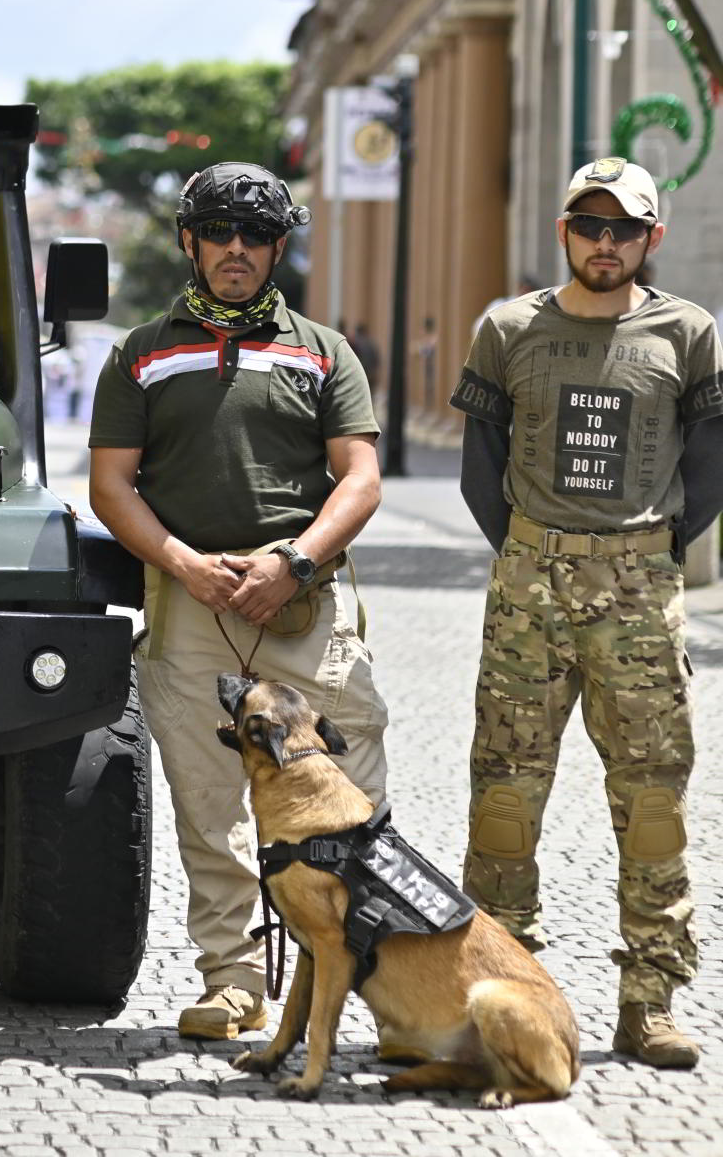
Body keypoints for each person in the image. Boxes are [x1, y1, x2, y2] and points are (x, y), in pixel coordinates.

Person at [88, 162, 390, 1040]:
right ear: (189, 240)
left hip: (303, 605)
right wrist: (182, 563)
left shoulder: (324, 351)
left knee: (351, 788)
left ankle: (362, 972)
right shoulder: (140, 351)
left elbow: (360, 478)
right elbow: (112, 486)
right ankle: (234, 980)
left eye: (255, 235)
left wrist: (295, 560)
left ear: (279, 248)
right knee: (209, 805)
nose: (236, 249)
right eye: (219, 231)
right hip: (193, 606)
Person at [451, 156, 721, 1069]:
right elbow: (478, 466)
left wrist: (651, 552)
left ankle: (649, 1003)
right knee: (504, 799)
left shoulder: (687, 333)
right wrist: (531, 547)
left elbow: (712, 464)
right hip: (530, 585)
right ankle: (499, 995)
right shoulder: (509, 327)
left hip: (641, 596)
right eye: (590, 225)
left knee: (652, 803)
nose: (607, 243)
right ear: (564, 231)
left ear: (653, 236)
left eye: (625, 228)